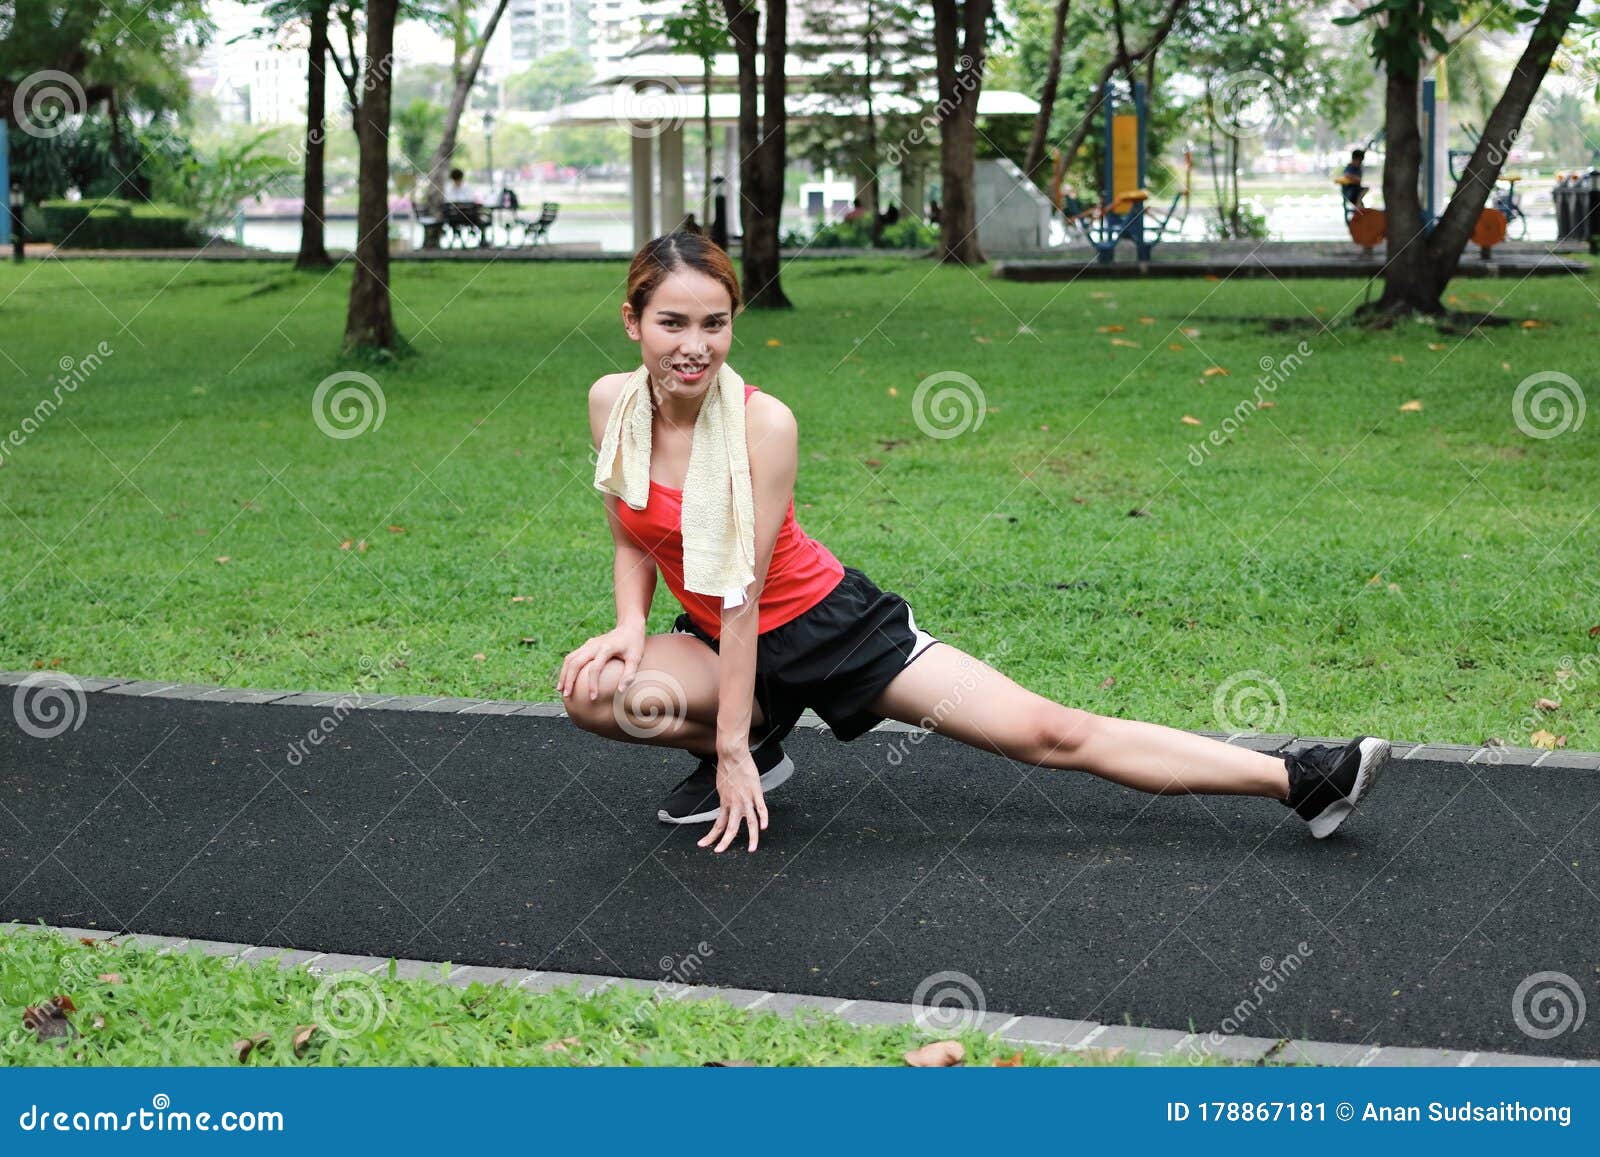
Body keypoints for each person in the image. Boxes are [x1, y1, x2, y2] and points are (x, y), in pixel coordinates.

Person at [558, 231, 1391, 854]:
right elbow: (634, 530)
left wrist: (731, 746)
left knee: (1046, 733)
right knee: (598, 692)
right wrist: (632, 625)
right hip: (718, 644)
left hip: (825, 627)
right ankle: (761, 731)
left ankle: (1301, 778)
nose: (694, 346)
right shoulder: (612, 405)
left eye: (715, 322)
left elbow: (742, 595)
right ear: (633, 321)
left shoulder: (764, 425)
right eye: (672, 322)